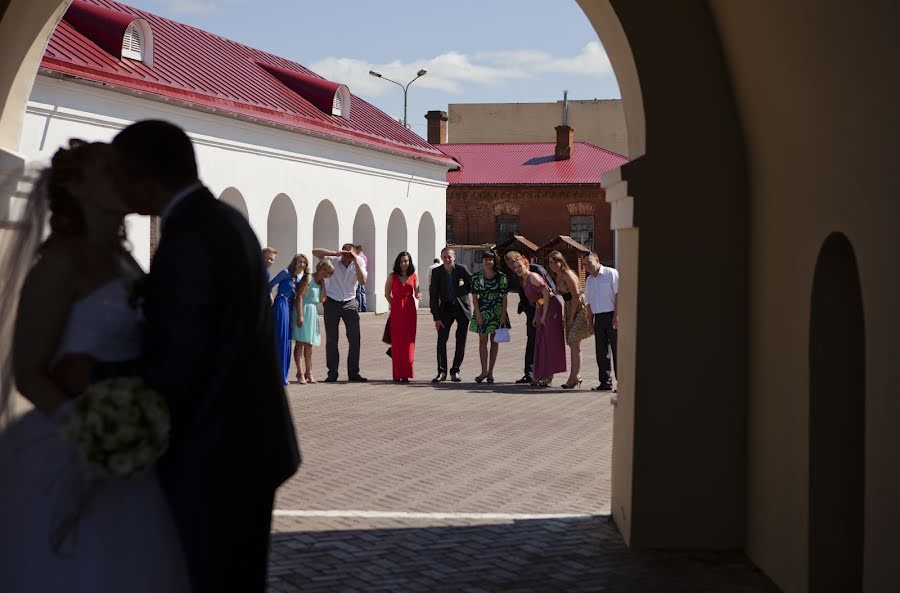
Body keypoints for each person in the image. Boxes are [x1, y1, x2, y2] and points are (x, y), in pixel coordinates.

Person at [113, 120, 300, 593]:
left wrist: (93, 374)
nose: (117, 186)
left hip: (218, 454)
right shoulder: (223, 219)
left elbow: (180, 359)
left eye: (122, 174)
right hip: (247, 441)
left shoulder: (190, 238)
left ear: (146, 175)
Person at [0, 140, 190, 591]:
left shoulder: (125, 261)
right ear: (79, 188)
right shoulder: (59, 262)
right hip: (73, 440)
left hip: (131, 448)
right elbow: (29, 370)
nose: (124, 177)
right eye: (110, 170)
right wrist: (87, 427)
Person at [507, 251, 566, 387]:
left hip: (551, 308)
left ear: (526, 265)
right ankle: (539, 374)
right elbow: (538, 300)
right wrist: (536, 316)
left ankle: (548, 376)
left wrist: (544, 315)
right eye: (515, 267)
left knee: (548, 342)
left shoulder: (533, 276)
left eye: (519, 266)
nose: (517, 269)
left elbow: (546, 293)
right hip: (541, 307)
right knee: (540, 342)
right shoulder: (523, 279)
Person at [312, 244, 368, 382]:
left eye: (351, 254)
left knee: (354, 339)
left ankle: (353, 373)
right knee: (332, 340)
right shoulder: (333, 259)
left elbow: (362, 280)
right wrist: (335, 253)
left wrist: (355, 260)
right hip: (332, 301)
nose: (347, 257)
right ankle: (332, 373)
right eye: (346, 254)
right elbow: (315, 251)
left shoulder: (358, 262)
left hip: (350, 302)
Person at [547, 250, 592, 389]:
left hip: (579, 308)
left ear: (562, 261)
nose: (553, 265)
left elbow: (576, 296)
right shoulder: (557, 275)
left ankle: (574, 377)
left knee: (573, 341)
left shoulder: (568, 274)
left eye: (556, 262)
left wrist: (571, 317)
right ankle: (575, 377)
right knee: (572, 343)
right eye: (550, 263)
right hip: (569, 307)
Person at [429, 247, 472, 382]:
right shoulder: (437, 272)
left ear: (454, 258)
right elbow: (433, 296)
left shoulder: (462, 269)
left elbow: (472, 285)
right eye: (444, 257)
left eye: (449, 257)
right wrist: (436, 317)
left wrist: (463, 290)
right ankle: (442, 372)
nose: (447, 259)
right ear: (441, 258)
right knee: (441, 341)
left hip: (461, 309)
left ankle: (455, 371)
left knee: (460, 341)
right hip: (445, 310)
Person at [469, 250, 509, 384]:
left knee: (495, 341)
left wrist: (503, 314)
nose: (488, 262)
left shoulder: (501, 277)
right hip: (482, 310)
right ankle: (483, 371)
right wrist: (478, 314)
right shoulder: (476, 277)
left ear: (494, 261)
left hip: (497, 311)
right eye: (486, 259)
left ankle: (491, 372)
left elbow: (504, 298)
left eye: (490, 259)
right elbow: (474, 298)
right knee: (482, 341)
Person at [292, 258, 333, 384]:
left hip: (312, 312)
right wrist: (300, 315)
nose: (325, 274)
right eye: (325, 270)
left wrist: (323, 283)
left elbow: (322, 299)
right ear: (320, 268)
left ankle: (309, 372)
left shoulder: (320, 283)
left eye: (328, 273)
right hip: (303, 310)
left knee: (309, 345)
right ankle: (299, 372)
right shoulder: (308, 277)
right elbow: (299, 296)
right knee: (300, 343)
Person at [583, 252, 619, 392]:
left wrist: (617, 315)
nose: (587, 266)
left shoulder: (611, 273)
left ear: (597, 260)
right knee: (601, 352)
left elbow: (618, 294)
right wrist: (589, 322)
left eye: (589, 263)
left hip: (612, 316)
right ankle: (605, 382)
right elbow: (588, 303)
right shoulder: (589, 280)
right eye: (585, 264)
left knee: (617, 351)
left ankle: (622, 384)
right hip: (598, 318)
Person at [385, 251, 421, 383]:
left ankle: (406, 373)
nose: (404, 264)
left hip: (410, 312)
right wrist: (394, 305)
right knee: (398, 342)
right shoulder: (392, 276)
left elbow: (417, 291)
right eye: (401, 261)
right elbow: (387, 294)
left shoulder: (414, 276)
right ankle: (397, 373)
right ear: (398, 263)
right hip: (397, 312)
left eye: (406, 261)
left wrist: (418, 295)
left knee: (409, 342)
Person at [270, 254, 306, 385]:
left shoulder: (298, 278)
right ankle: (279, 376)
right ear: (294, 262)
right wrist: (271, 296)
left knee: (287, 341)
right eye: (299, 262)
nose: (301, 264)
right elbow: (270, 285)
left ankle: (283, 375)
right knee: (281, 339)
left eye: (304, 262)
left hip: (290, 309)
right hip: (281, 305)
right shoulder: (285, 272)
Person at [354, 244, 368, 312]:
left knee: (358, 292)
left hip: (359, 276)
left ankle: (359, 307)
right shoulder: (365, 257)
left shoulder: (359, 257)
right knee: (362, 292)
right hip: (364, 275)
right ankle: (364, 307)